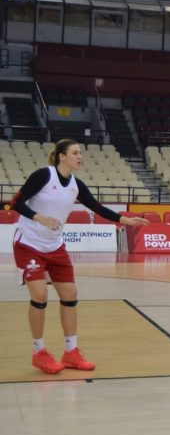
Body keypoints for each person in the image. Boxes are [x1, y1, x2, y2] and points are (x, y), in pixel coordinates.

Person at [11, 139, 150, 374]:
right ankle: (39, 352)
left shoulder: (76, 185)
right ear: (61, 156)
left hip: (55, 246)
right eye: (75, 153)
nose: (80, 157)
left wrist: (125, 219)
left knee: (70, 295)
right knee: (40, 296)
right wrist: (40, 218)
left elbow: (96, 207)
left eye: (80, 153)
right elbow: (16, 202)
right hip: (29, 243)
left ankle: (71, 352)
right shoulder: (44, 175)